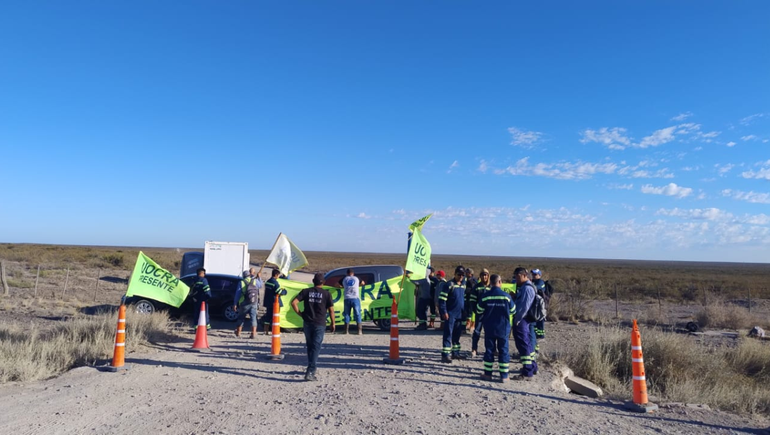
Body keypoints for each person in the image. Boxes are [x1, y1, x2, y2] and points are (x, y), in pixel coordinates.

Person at [291, 273, 335, 381]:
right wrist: (333, 323)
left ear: (313, 281)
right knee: (316, 347)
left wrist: (301, 314)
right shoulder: (326, 294)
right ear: (323, 282)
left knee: (310, 346)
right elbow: (331, 310)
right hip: (319, 323)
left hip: (307, 322)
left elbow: (294, 303)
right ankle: (311, 370)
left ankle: (310, 365)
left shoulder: (306, 292)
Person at [476, 274, 515, 383]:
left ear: (491, 282)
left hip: (489, 327)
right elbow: (513, 310)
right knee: (503, 351)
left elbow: (478, 310)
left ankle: (488, 374)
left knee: (489, 350)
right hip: (503, 328)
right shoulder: (506, 296)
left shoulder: (485, 296)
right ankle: (504, 376)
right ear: (499, 282)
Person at [512, 267, 538, 380]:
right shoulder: (525, 287)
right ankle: (532, 367)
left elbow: (524, 307)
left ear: (523, 275)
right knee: (527, 343)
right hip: (524, 319)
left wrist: (517, 319)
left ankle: (527, 372)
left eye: (517, 276)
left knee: (523, 344)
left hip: (522, 319)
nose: (516, 279)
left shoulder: (527, 288)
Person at [438, 266, 466, 363]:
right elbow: (441, 300)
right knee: (448, 334)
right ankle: (445, 355)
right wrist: (444, 312)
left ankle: (456, 353)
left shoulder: (463, 286)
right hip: (450, 314)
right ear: (455, 274)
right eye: (459, 274)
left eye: (463, 275)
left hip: (460, 315)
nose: (461, 277)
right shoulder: (449, 285)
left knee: (457, 335)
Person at [233, 267, 264, 339]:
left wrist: (235, 303)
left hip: (243, 302)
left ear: (243, 276)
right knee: (253, 318)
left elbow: (237, 294)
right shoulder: (255, 281)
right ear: (249, 275)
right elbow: (260, 285)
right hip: (253, 302)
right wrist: (259, 278)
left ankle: (238, 333)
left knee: (241, 318)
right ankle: (253, 334)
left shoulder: (241, 282)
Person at [470, 268, 491, 357]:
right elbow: (472, 300)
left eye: (486, 275)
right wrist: (475, 310)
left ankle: (490, 350)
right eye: (482, 275)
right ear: (480, 276)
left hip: (490, 315)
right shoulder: (476, 287)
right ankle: (474, 349)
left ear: (488, 276)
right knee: (477, 332)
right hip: (480, 314)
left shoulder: (492, 287)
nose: (484, 276)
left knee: (489, 333)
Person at [341, 268, 364, 335]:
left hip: (347, 298)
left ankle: (346, 331)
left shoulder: (344, 279)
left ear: (347, 273)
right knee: (357, 314)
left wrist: (343, 287)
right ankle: (359, 331)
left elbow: (336, 284)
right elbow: (363, 283)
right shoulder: (357, 278)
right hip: (355, 298)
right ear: (353, 273)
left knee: (347, 314)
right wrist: (357, 285)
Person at [262, 269, 282, 335]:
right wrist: (285, 292)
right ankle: (275, 331)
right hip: (274, 303)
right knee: (275, 318)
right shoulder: (275, 283)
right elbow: (279, 292)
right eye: (278, 275)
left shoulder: (268, 281)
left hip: (268, 302)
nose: (278, 277)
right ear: (276, 275)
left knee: (268, 317)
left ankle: (265, 330)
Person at [532, 269, 546, 341]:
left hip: (540, 304)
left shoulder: (540, 282)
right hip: (535, 304)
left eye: (535, 274)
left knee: (540, 318)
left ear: (539, 275)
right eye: (533, 274)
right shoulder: (533, 281)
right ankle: (536, 334)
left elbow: (535, 287)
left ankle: (541, 336)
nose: (533, 276)